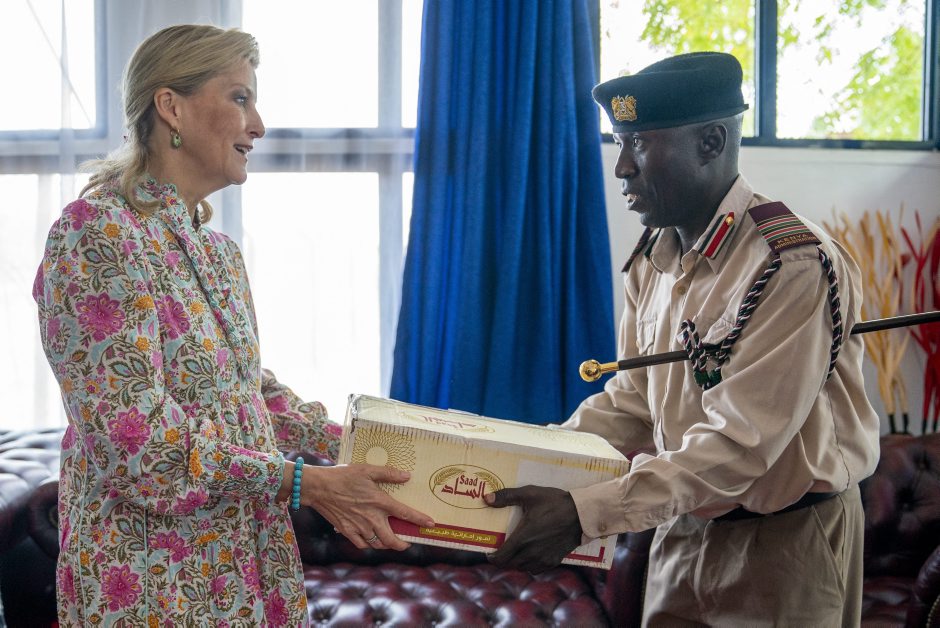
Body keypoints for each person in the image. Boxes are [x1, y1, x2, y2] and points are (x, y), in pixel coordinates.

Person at [33, 24, 433, 626]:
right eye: (240, 98)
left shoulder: (216, 251)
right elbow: (136, 444)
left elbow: (246, 395)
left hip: (245, 556)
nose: (259, 125)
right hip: (152, 575)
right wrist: (305, 484)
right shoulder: (96, 234)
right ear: (171, 107)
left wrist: (377, 445)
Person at [485, 52, 881, 626]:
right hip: (682, 525)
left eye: (640, 144)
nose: (621, 167)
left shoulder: (789, 264)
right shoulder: (654, 258)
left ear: (711, 142)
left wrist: (584, 513)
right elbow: (632, 403)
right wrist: (530, 460)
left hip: (786, 544)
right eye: (619, 143)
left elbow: (740, 444)